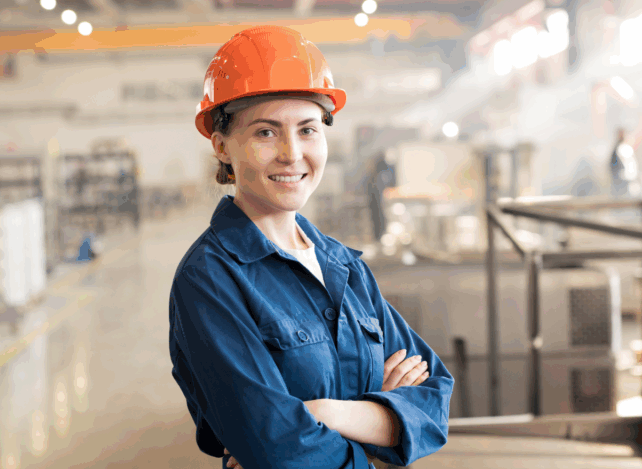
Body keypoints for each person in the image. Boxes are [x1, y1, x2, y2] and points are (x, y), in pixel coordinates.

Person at [169, 26, 453, 469]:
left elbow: (434, 404)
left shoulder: (344, 266)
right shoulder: (210, 279)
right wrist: (379, 415)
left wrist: (326, 413)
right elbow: (278, 450)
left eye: (307, 129)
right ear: (222, 146)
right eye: (266, 133)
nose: (291, 153)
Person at [609, 128, 638, 198]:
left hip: (630, 180)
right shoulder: (617, 150)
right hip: (621, 182)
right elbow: (613, 166)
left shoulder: (627, 148)